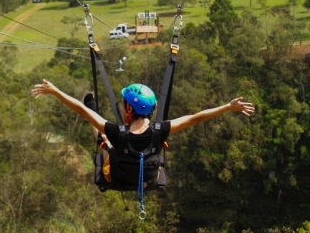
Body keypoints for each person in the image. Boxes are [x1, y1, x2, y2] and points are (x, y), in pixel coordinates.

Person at [31, 79, 255, 189]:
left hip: (117, 176)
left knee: (103, 138)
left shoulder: (116, 132)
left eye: (122, 104)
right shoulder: (161, 130)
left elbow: (81, 111)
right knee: (108, 138)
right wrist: (227, 107)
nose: (120, 106)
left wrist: (56, 92)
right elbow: (196, 118)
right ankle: (97, 118)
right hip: (148, 179)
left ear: (129, 110)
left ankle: (95, 107)